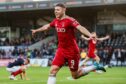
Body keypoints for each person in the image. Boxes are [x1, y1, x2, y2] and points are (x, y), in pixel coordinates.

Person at [31, 3, 106, 84]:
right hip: (61, 50)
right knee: (52, 71)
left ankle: (94, 66)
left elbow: (80, 27)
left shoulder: (70, 20)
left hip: (72, 51)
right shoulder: (56, 21)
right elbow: (47, 26)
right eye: (55, 10)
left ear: (64, 10)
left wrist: (89, 35)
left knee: (75, 75)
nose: (55, 12)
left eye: (58, 10)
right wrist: (36, 30)